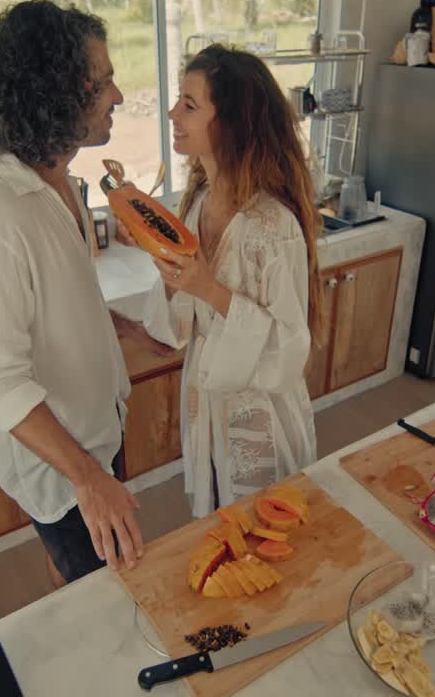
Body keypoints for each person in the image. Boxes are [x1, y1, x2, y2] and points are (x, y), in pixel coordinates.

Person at [0, 0, 150, 586]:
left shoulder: (58, 185)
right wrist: (86, 477)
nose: (118, 96)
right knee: (108, 590)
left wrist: (101, 322)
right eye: (101, 83)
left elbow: (43, 300)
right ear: (53, 96)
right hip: (61, 466)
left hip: (96, 428)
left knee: (99, 577)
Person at [127, 44, 322, 518]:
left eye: (189, 105)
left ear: (231, 122)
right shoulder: (196, 204)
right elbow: (177, 329)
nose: (173, 113)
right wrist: (173, 280)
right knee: (219, 522)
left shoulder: (273, 227)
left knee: (267, 535)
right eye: (179, 100)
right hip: (206, 408)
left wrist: (207, 288)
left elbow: (290, 348)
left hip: (261, 423)